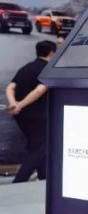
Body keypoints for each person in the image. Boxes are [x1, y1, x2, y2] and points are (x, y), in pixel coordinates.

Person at [5, 40, 57, 183]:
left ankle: (44, 177)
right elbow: (40, 90)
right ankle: (19, 181)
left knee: (36, 145)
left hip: (21, 116)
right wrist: (20, 105)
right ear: (51, 53)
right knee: (41, 147)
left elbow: (10, 87)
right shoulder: (49, 69)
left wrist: (13, 104)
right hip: (37, 115)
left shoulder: (26, 68)